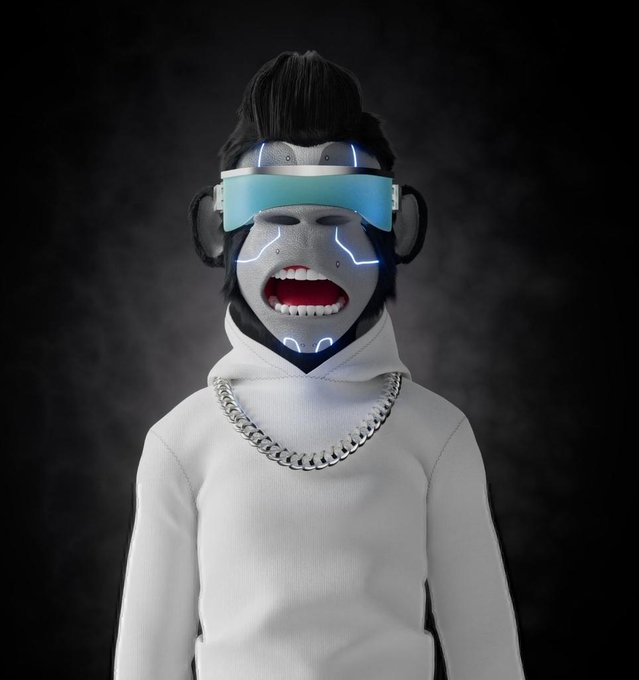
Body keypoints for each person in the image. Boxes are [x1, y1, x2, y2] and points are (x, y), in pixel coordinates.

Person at [113, 50, 526, 680]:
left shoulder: (438, 435)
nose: (306, 225)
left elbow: (487, 651)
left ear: (400, 227)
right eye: (270, 200)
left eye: (344, 200)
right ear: (216, 228)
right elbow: (145, 661)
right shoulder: (180, 443)